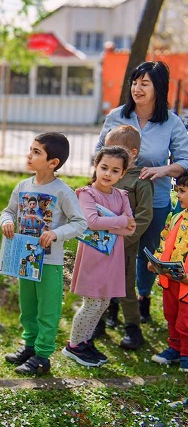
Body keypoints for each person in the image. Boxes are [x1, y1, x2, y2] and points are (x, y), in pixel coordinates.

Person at [96, 61, 188, 324]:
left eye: (144, 83)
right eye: (135, 82)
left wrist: (162, 170)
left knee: (147, 254)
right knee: (117, 253)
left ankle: (142, 299)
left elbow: (185, 161)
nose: (137, 88)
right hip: (115, 200)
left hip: (155, 200)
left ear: (158, 87)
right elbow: (98, 152)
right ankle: (113, 303)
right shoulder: (117, 116)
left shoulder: (171, 122)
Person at [0, 132, 87, 375]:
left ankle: (42, 355)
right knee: (27, 307)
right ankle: (29, 347)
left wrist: (57, 233)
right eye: (31, 149)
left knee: (47, 309)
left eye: (37, 152)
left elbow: (80, 222)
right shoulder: (22, 186)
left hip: (49, 262)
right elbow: (8, 211)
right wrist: (6, 221)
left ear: (53, 163)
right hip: (24, 259)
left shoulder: (63, 192)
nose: (30, 155)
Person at [62, 146, 136, 367]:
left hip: (112, 256)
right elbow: (92, 222)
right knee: (92, 303)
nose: (107, 174)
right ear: (96, 166)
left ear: (122, 174)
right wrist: (120, 222)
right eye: (104, 167)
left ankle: (85, 341)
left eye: (115, 170)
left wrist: (115, 225)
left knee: (103, 302)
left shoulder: (121, 196)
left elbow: (131, 228)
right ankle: (73, 346)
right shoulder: (87, 194)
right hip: (94, 256)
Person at [93, 125, 153, 350]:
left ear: (133, 153)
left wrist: (126, 239)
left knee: (126, 285)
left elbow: (145, 215)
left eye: (114, 148)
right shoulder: (106, 174)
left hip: (125, 245)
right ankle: (97, 321)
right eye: (107, 147)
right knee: (98, 283)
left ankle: (132, 328)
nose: (108, 152)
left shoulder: (141, 180)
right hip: (100, 243)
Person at [149, 170, 188, 372]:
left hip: (187, 285)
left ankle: (186, 354)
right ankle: (174, 348)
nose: (178, 195)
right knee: (171, 313)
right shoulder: (176, 217)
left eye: (182, 191)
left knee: (185, 320)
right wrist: (156, 260)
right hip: (170, 278)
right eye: (177, 190)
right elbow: (165, 238)